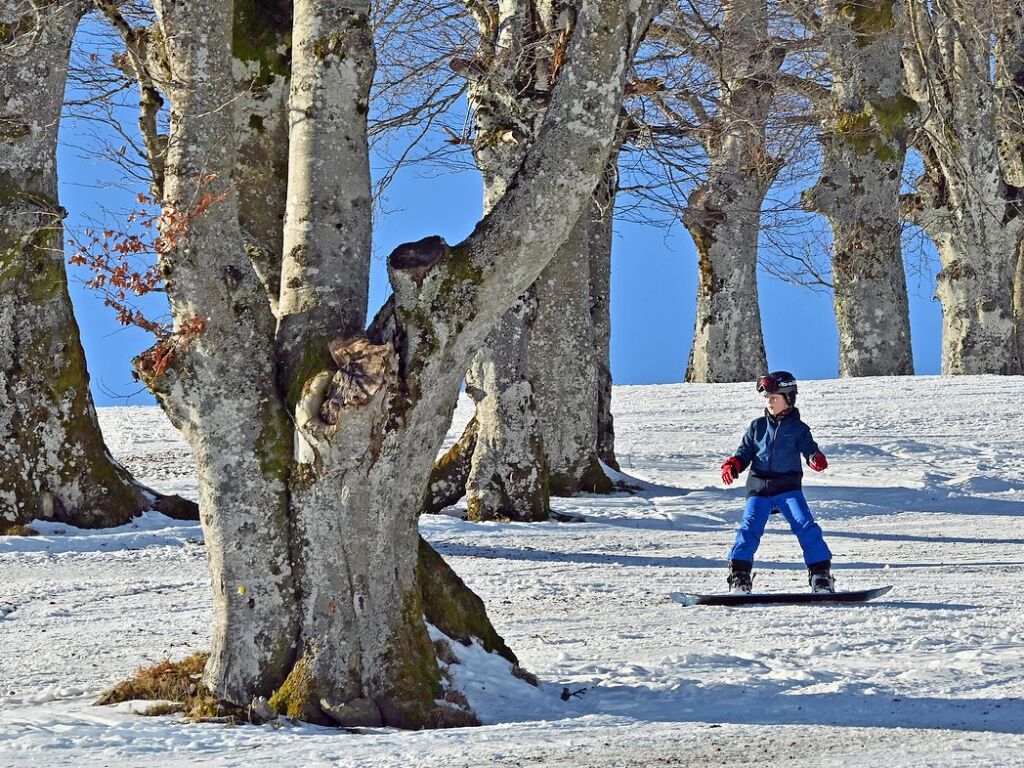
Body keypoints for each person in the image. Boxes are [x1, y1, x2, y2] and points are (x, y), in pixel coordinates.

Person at [719, 371, 835, 594]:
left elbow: (809, 448)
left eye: (774, 397)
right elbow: (744, 453)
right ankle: (739, 577)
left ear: (789, 398)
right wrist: (733, 465)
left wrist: (815, 458)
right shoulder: (757, 426)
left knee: (805, 525)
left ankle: (821, 576)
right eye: (767, 398)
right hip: (759, 488)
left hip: (787, 487)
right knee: (749, 528)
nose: (769, 402)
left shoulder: (799, 429)